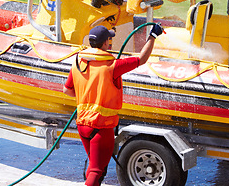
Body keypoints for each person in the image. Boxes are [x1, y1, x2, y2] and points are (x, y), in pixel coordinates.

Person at [63, 24, 163, 186]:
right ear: (104, 44)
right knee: (96, 170)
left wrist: (87, 94)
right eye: (109, 40)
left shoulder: (78, 63)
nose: (110, 43)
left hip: (82, 125)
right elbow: (141, 59)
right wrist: (153, 36)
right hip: (102, 127)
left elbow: (67, 90)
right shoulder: (112, 66)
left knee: (95, 167)